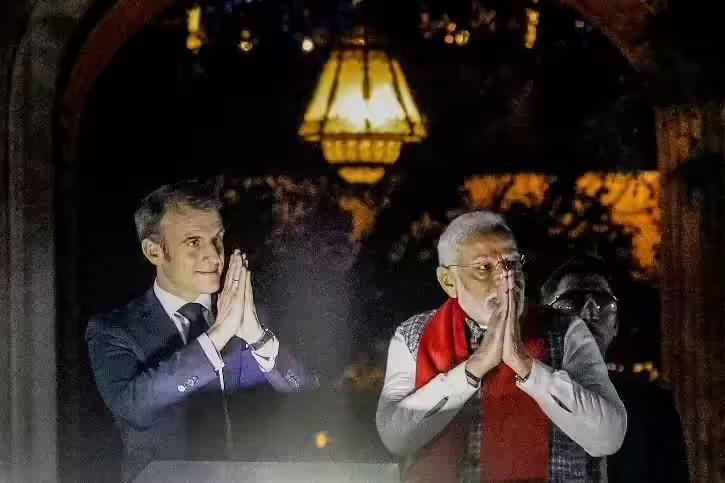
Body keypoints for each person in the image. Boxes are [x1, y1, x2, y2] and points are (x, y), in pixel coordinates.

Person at [86, 180, 315, 481]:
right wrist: (217, 336)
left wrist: (257, 337)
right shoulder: (113, 330)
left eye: (217, 238)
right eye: (194, 242)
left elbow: (306, 392)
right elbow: (133, 407)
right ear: (154, 251)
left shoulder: (251, 314)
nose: (215, 256)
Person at [376, 211, 626, 482]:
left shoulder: (566, 330)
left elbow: (608, 437)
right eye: (484, 268)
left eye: (511, 263)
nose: (506, 278)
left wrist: (525, 365)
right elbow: (395, 436)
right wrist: (474, 368)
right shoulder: (413, 335)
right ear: (449, 281)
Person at [541, 255, 689, 482]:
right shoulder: (522, 397)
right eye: (572, 302)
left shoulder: (651, 406)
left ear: (616, 325)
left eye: (604, 302)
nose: (590, 313)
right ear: (546, 319)